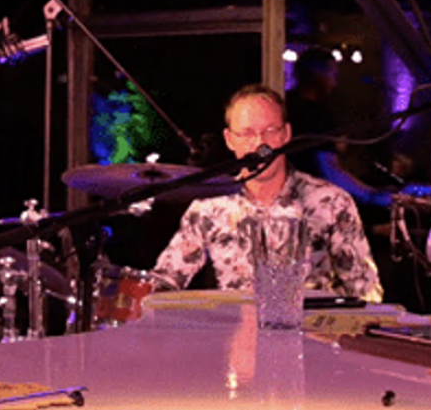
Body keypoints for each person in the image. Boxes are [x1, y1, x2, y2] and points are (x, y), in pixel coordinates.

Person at [153, 84, 383, 301]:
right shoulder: (210, 206)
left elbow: (366, 290)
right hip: (236, 328)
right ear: (229, 139)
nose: (259, 143)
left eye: (270, 131)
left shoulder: (330, 202)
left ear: (286, 134)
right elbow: (164, 282)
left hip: (309, 327)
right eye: (247, 133)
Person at [285, 46, 393, 209]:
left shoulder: (287, 104)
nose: (334, 83)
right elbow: (329, 170)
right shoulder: (317, 115)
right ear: (318, 76)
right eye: (332, 75)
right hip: (312, 203)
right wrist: (372, 196)